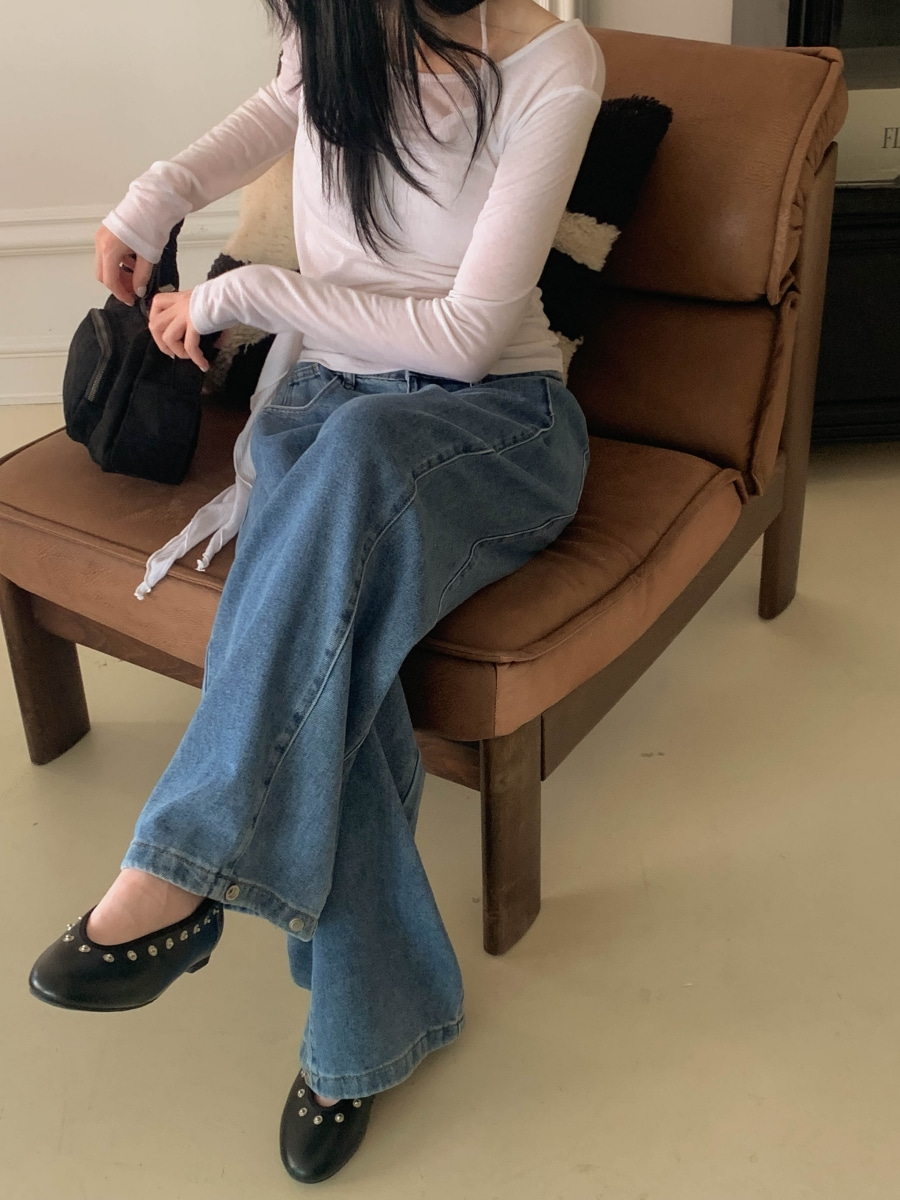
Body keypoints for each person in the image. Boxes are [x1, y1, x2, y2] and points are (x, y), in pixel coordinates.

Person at [29, 0, 604, 1183]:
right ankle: (364, 1037)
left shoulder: (556, 66)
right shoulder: (336, 31)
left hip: (492, 421)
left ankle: (179, 866)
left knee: (351, 467)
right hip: (324, 408)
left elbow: (464, 337)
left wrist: (248, 295)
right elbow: (271, 111)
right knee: (341, 663)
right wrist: (156, 195)